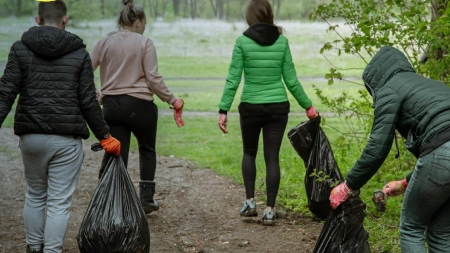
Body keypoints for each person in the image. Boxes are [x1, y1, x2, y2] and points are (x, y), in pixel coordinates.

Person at [0, 0, 121, 252]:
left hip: (31, 137)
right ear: (65, 18)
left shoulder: (19, 49)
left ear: (38, 19)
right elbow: (88, 102)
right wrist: (105, 136)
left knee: (34, 194)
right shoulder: (80, 54)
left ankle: (34, 247)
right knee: (58, 203)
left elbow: (5, 93)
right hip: (66, 141)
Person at [329, 45, 450, 252]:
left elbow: (377, 148)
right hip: (441, 153)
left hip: (440, 150)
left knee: (411, 227)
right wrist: (405, 182)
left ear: (374, 81)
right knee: (441, 233)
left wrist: (348, 185)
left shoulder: (389, 89)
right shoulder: (433, 86)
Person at [217, 0, 318, 226]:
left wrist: (223, 109)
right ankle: (270, 210)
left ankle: (250, 202)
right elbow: (290, 80)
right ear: (270, 15)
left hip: (251, 107)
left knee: (249, 153)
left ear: (250, 17)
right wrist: (308, 105)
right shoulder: (282, 42)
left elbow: (233, 79)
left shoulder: (242, 42)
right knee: (272, 157)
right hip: (277, 108)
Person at [90, 0, 184, 214]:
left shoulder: (104, 42)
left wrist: (98, 94)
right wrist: (172, 99)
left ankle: (115, 199)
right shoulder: (145, 42)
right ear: (138, 21)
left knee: (117, 152)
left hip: (112, 106)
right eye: (144, 23)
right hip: (140, 106)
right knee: (147, 149)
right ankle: (146, 199)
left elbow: (85, 69)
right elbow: (152, 78)